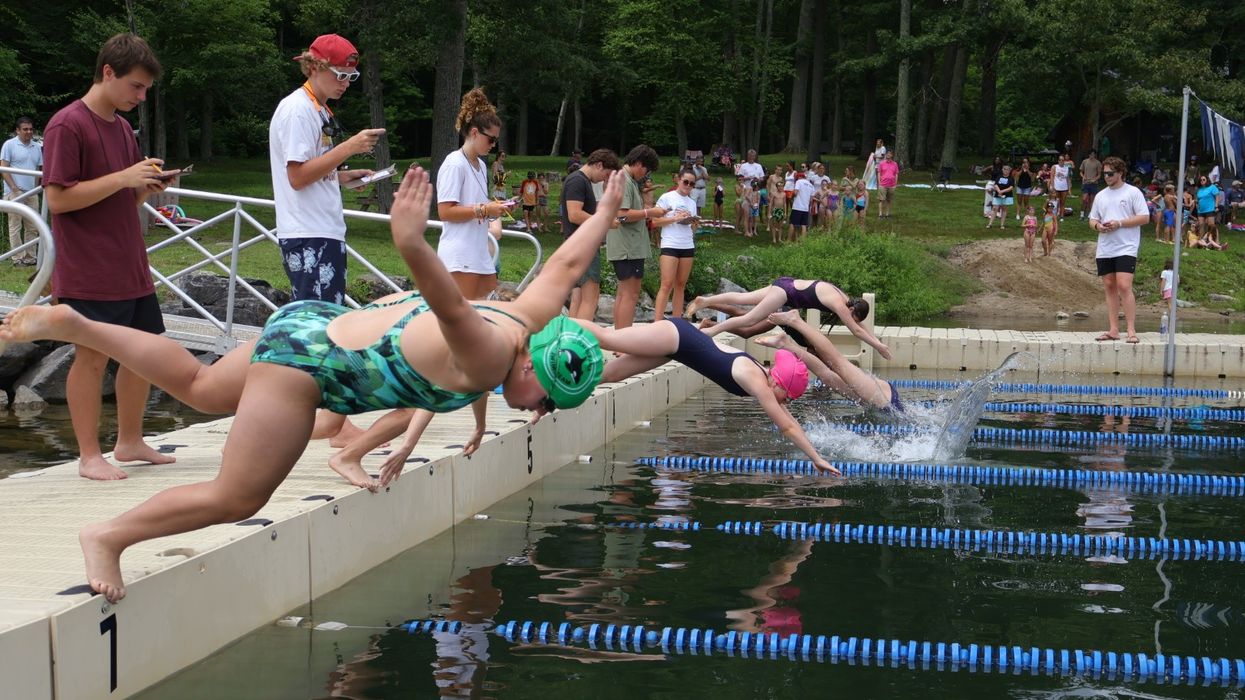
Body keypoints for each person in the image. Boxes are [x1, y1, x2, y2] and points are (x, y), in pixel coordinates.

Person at [0, 165, 624, 603]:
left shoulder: (525, 317)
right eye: (544, 401)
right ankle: (108, 536)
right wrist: (410, 245)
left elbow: (567, 262)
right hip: (308, 370)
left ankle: (80, 323)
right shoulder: (490, 357)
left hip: (313, 323)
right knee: (236, 497)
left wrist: (606, 213)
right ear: (532, 369)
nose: (537, 412)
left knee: (198, 382)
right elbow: (451, 311)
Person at [41, 33, 176, 481]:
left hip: (129, 264)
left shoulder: (121, 128)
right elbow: (59, 200)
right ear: (107, 73)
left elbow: (119, 197)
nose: (140, 96)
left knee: (145, 354)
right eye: (136, 87)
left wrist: (144, 188)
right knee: (92, 357)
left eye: (144, 90)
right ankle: (88, 456)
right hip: (89, 269)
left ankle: (130, 441)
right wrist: (123, 179)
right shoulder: (67, 124)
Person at [571, 317, 839, 475]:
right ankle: (552, 319)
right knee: (608, 338)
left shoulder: (764, 377)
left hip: (677, 345)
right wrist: (815, 458)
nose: (786, 402)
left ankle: (547, 392)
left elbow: (788, 419)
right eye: (788, 396)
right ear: (779, 382)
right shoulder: (755, 380)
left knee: (609, 375)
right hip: (675, 336)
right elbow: (787, 425)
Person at [270, 33, 383, 307]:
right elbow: (296, 177)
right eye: (339, 75)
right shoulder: (298, 110)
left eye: (351, 77)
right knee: (316, 324)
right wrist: (349, 147)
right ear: (313, 68)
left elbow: (311, 168)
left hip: (321, 231)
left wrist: (342, 178)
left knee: (323, 318)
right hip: (308, 232)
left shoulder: (318, 109)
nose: (345, 84)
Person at [436, 88, 516, 301]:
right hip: (460, 255)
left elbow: (476, 204)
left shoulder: (480, 165)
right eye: (491, 140)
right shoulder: (454, 163)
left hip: (480, 253)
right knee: (465, 321)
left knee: (486, 316)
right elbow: (445, 212)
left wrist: (497, 207)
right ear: (474, 133)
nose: (494, 145)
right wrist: (485, 209)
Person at [686, 277, 891, 358]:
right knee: (748, 319)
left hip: (785, 283)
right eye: (854, 318)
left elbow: (860, 325)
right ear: (853, 312)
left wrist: (876, 341)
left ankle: (704, 301)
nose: (852, 320)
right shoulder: (841, 306)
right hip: (786, 294)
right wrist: (879, 346)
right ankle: (709, 331)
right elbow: (856, 330)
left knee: (744, 298)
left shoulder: (845, 299)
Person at [758, 310, 905, 414]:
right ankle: (795, 320)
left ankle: (786, 344)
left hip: (877, 405)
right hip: (885, 400)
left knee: (826, 377)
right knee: (838, 363)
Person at [1089, 156, 1149, 343]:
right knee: (1109, 286)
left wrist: (1120, 223)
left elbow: (1144, 217)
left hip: (1126, 246)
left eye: (1110, 173)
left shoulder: (1133, 192)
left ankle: (1131, 330)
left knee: (1124, 285)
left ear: (1120, 173)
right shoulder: (1100, 195)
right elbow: (1092, 220)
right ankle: (1113, 329)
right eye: (1104, 173)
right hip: (1106, 247)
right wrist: (1098, 227)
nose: (1106, 176)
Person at [561, 148, 621, 321]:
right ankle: (580, 341)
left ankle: (569, 340)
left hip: (579, 245)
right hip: (583, 246)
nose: (605, 178)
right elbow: (574, 214)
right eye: (606, 174)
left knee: (578, 299)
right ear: (599, 165)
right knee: (591, 299)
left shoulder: (580, 181)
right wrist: (605, 222)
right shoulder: (578, 181)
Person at [610, 144, 659, 328]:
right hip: (628, 248)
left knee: (624, 293)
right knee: (630, 294)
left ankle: (618, 337)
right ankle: (623, 340)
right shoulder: (624, 180)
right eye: (646, 171)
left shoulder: (627, 179)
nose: (645, 176)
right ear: (639, 164)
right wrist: (649, 213)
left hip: (628, 247)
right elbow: (622, 215)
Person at [651, 167, 699, 318]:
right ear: (678, 180)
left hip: (687, 245)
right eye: (686, 182)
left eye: (692, 184)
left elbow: (693, 228)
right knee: (666, 284)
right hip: (670, 244)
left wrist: (694, 223)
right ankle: (658, 322)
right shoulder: (667, 197)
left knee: (681, 285)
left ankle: (677, 322)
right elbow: (654, 221)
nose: (688, 186)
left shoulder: (691, 202)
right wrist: (675, 218)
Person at [1, 116, 43, 266]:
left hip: (32, 192)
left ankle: (30, 257)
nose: (29, 132)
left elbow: (39, 169)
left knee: (32, 225)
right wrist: (14, 188)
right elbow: (3, 168)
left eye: (31, 129)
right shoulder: (9, 145)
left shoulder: (37, 147)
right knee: (15, 226)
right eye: (25, 129)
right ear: (17, 130)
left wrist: (36, 188)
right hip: (15, 192)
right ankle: (17, 258)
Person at [1194, 174, 1222, 247]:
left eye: (1203, 179)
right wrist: (1196, 204)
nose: (1202, 181)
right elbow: (1198, 199)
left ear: (1207, 180)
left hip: (1210, 209)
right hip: (1200, 210)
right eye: (1200, 180)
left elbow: (1217, 197)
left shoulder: (1212, 187)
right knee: (1201, 225)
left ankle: (1216, 241)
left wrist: (1216, 206)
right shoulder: (1199, 189)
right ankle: (1201, 241)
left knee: (1211, 225)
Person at [787, 171, 814, 241]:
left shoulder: (799, 182)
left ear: (799, 177)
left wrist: (791, 196)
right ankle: (803, 242)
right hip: (805, 208)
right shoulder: (811, 185)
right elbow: (811, 199)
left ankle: (788, 241)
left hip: (797, 207)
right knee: (803, 225)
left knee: (792, 223)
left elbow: (795, 192)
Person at [988, 164, 1014, 229]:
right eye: (1004, 169)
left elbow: (1011, 187)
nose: (1005, 170)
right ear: (1002, 170)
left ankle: (1002, 224)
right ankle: (990, 224)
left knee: (1004, 209)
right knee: (995, 208)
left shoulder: (1011, 178)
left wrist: (1002, 191)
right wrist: (999, 191)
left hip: (1006, 195)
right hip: (997, 195)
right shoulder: (999, 176)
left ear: (1009, 171)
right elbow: (996, 184)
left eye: (1007, 169)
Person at [1079, 150, 1102, 220]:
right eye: (1090, 154)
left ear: (1095, 155)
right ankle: (1082, 215)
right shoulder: (1085, 161)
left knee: (1092, 201)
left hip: (1093, 184)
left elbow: (1099, 175)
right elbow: (1081, 172)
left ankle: (1090, 215)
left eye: (1093, 154)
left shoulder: (1098, 163)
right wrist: (1083, 177)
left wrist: (1095, 179)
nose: (1092, 156)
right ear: (1089, 155)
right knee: (1084, 199)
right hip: (1085, 183)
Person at [876, 151, 899, 219]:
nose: (888, 155)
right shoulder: (882, 163)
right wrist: (879, 182)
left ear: (892, 155)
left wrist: (895, 183)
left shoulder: (895, 164)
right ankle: (880, 215)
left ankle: (887, 214)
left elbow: (896, 174)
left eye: (889, 154)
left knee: (889, 200)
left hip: (891, 185)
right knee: (881, 199)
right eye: (887, 154)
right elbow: (879, 173)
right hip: (883, 184)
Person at [1052, 153, 1072, 218]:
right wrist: (1052, 187)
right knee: (1056, 202)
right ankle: (1054, 215)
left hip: (1064, 188)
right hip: (1056, 187)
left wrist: (1069, 189)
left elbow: (1068, 179)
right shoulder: (1054, 167)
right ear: (1058, 161)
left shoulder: (1067, 168)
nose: (1061, 161)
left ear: (1064, 161)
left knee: (1062, 202)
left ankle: (1061, 216)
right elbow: (1052, 177)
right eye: (1060, 160)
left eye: (1062, 160)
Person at [1014, 157, 1034, 222]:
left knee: (1026, 202)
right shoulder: (1020, 168)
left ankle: (1026, 215)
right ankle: (1018, 214)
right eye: (1024, 162)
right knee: (1019, 201)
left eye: (1026, 162)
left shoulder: (1031, 169)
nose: (1025, 163)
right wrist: (1022, 170)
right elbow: (1017, 177)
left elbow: (1032, 178)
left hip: (1027, 187)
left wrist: (1027, 170)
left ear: (1028, 162)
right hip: (1020, 186)